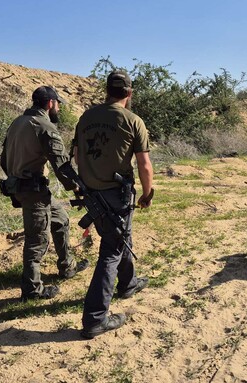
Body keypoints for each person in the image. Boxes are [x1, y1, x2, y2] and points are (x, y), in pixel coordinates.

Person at [73, 70, 154, 339]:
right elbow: (143, 164)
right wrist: (147, 192)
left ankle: (128, 283)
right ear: (129, 94)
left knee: (120, 237)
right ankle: (95, 318)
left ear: (106, 91)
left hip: (91, 193)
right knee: (111, 249)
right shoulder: (133, 121)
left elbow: (76, 154)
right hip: (115, 195)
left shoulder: (86, 117)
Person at [0, 86, 88, 301]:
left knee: (60, 219)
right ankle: (32, 291)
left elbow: (3, 158)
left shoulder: (17, 122)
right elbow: (61, 165)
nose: (58, 108)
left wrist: (16, 175)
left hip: (26, 187)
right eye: (57, 104)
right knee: (37, 240)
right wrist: (78, 187)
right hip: (32, 190)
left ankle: (68, 266)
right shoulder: (44, 126)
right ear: (50, 104)